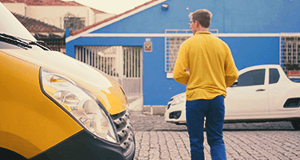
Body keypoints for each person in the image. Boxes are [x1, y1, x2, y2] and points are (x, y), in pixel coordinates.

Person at [173, 9, 239, 160]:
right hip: (217, 98)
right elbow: (233, 74)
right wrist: (220, 85)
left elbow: (178, 74)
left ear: (196, 23)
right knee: (216, 139)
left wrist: (190, 80)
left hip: (195, 98)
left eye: (190, 23)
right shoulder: (222, 45)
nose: (190, 27)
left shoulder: (188, 45)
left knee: (196, 141)